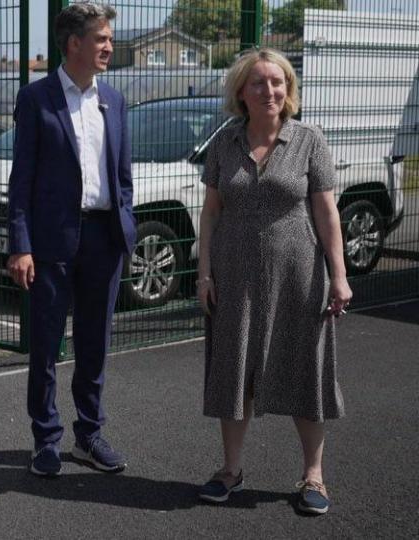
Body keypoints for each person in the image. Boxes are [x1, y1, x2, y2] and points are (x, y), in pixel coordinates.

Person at [195, 48, 351, 515]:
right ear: (241, 92)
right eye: (259, 83)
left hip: (300, 274)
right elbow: (210, 213)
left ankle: (313, 475)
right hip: (234, 274)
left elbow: (326, 212)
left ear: (289, 89)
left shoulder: (309, 140)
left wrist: (339, 276)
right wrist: (204, 275)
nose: (270, 91)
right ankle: (230, 471)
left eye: (278, 82)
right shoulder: (225, 142)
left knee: (307, 369)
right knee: (233, 371)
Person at [6, 3, 135, 477]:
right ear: (74, 43)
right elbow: (21, 181)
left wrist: (127, 224)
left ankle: (89, 434)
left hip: (104, 237)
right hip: (50, 242)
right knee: (45, 345)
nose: (108, 45)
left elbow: (122, 175)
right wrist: (20, 245)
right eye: (100, 38)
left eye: (108, 37)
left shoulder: (115, 100)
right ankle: (45, 439)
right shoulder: (37, 98)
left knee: (95, 341)